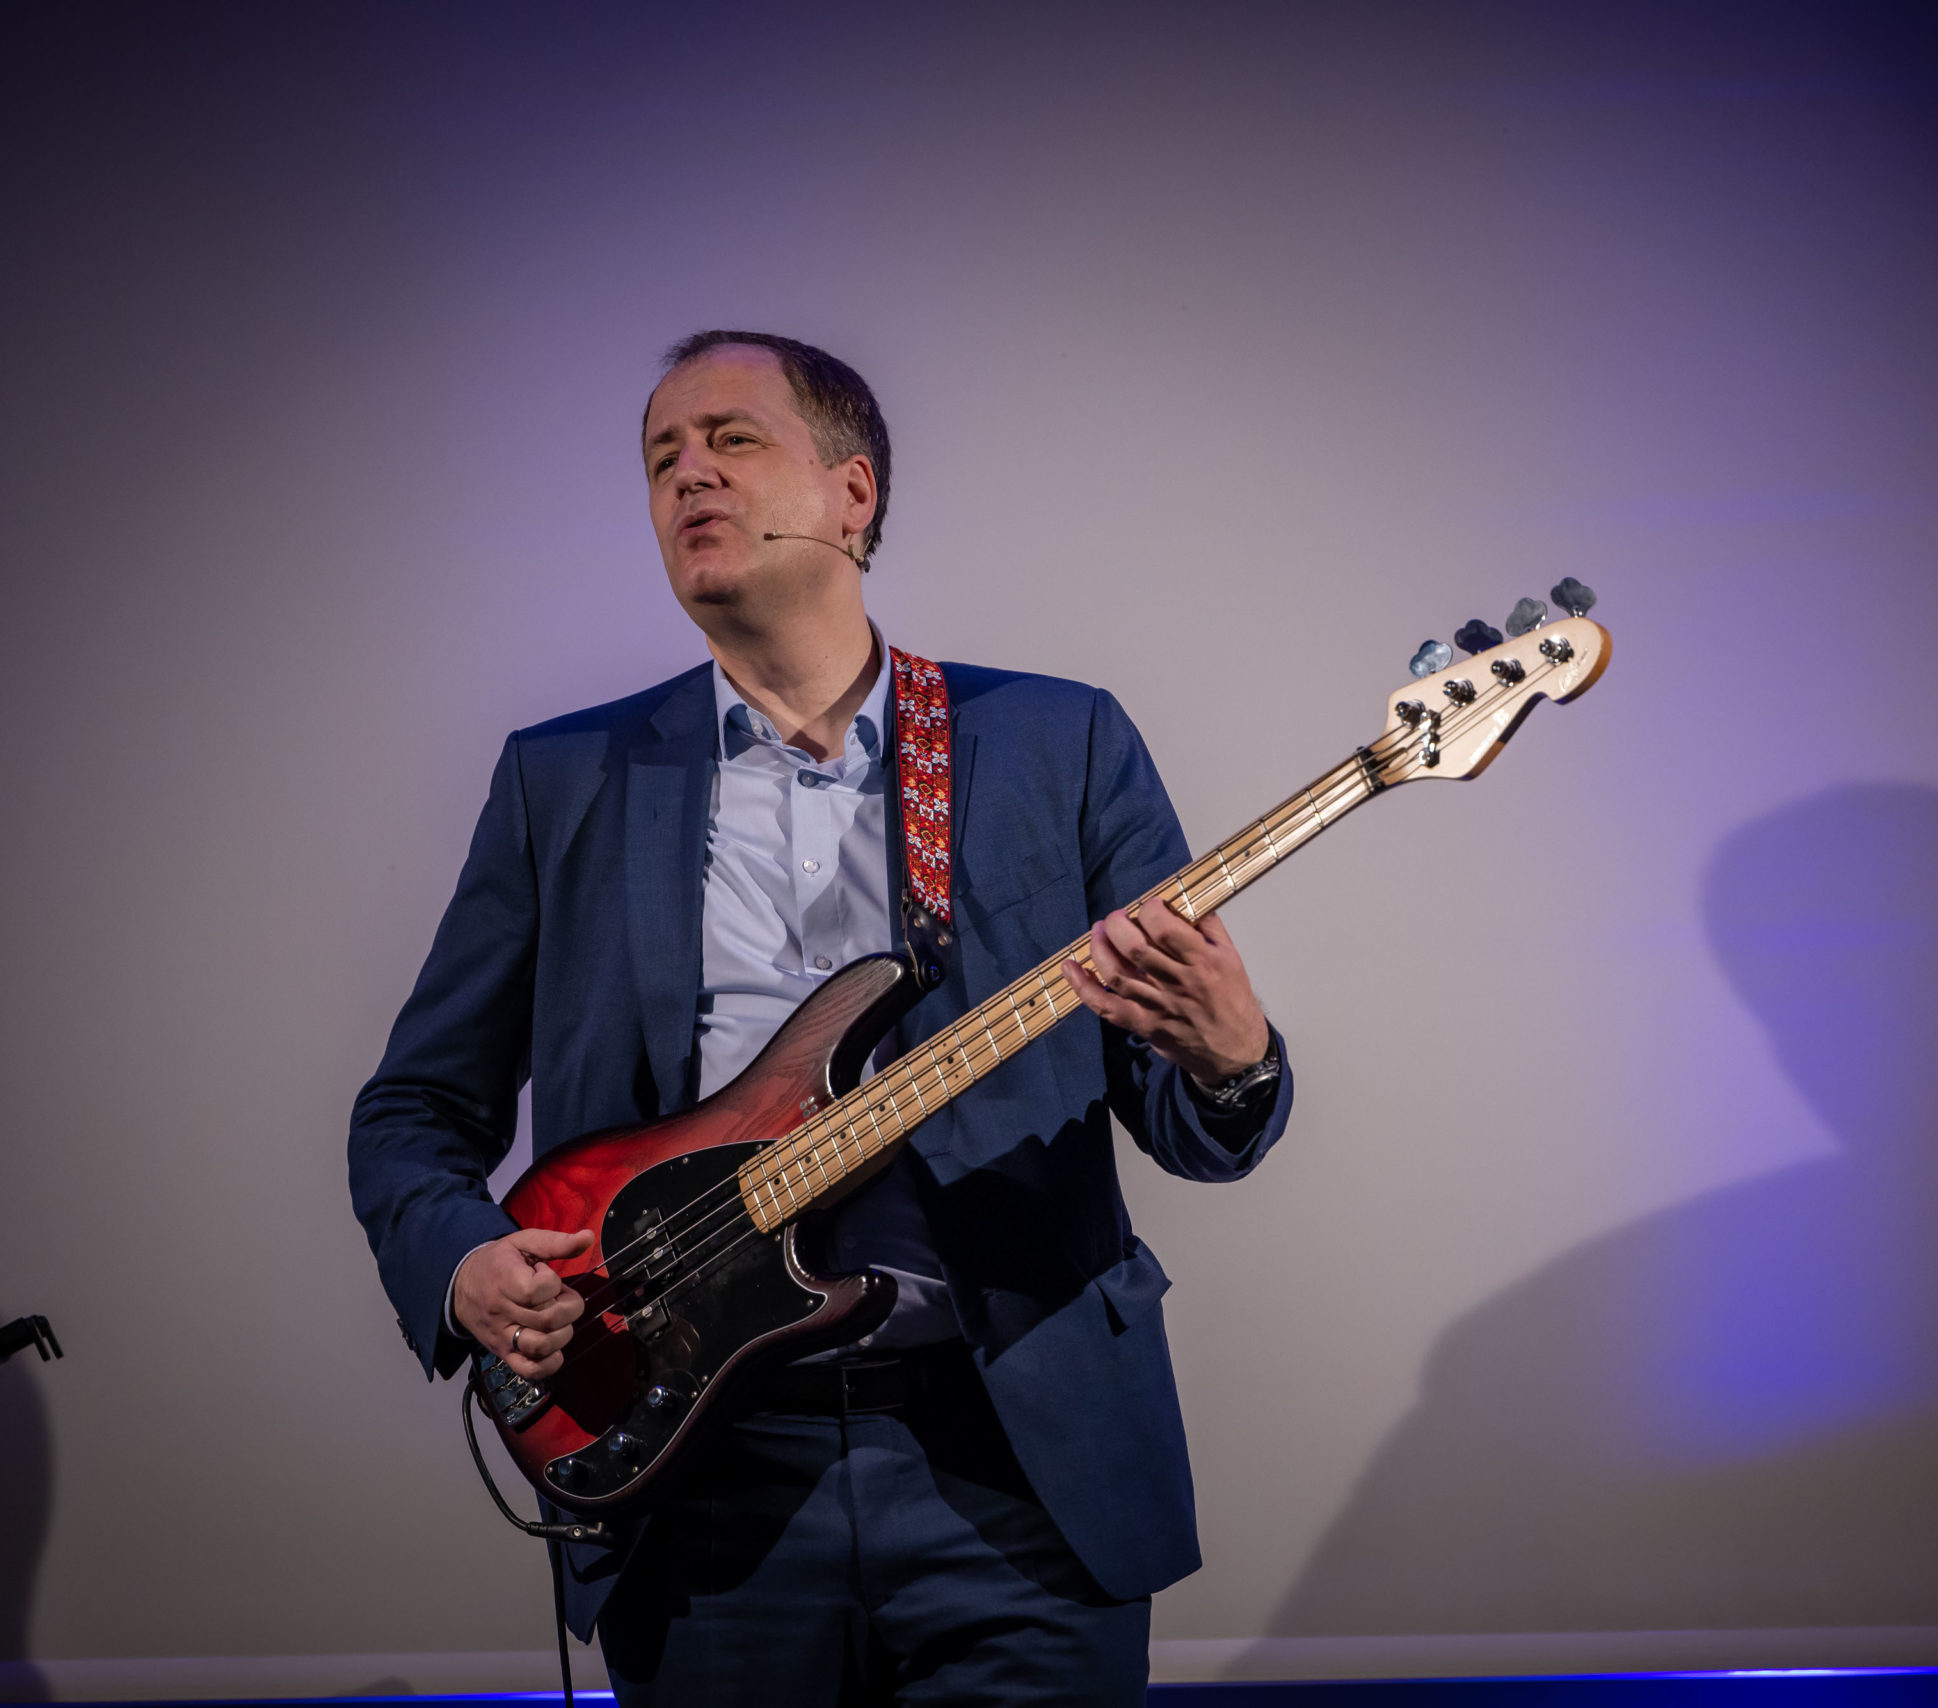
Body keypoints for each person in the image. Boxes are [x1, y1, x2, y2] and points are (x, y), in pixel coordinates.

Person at [348, 331, 1292, 1706]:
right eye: (662, 458)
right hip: (696, 1478)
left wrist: (1229, 1060)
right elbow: (414, 1112)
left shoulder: (1057, 743)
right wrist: (463, 1267)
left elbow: (1186, 1115)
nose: (689, 476)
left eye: (732, 439)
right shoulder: (565, 778)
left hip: (1015, 1465)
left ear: (855, 494)